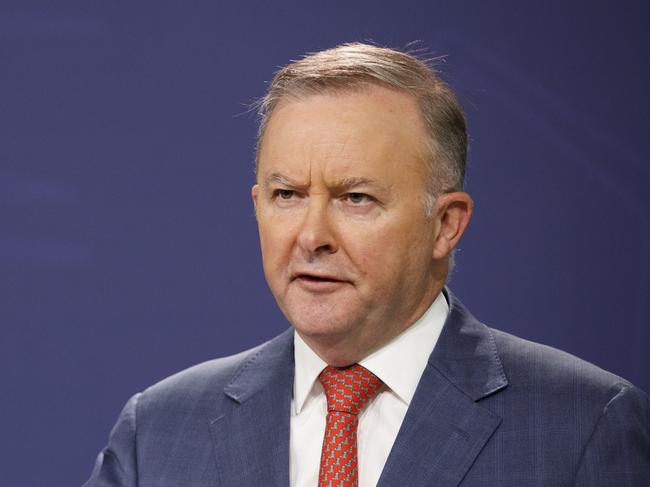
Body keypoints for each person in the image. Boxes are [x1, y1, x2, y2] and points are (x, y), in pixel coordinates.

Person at [84, 43, 650, 487]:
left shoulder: (586, 425)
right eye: (287, 195)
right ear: (256, 206)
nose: (311, 236)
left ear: (446, 223)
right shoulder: (158, 430)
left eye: (356, 198)